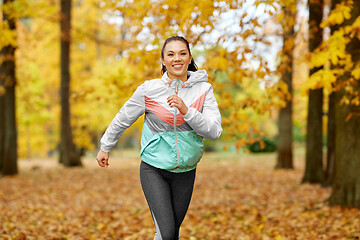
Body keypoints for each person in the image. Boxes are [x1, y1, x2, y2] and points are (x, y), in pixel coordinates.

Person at [96, 35, 222, 240]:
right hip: (153, 168)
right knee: (167, 232)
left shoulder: (204, 90)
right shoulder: (149, 90)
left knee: (171, 234)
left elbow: (214, 131)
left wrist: (187, 110)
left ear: (190, 58)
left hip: (186, 172)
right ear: (163, 60)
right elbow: (123, 118)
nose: (177, 58)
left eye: (182, 53)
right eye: (170, 54)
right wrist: (105, 146)